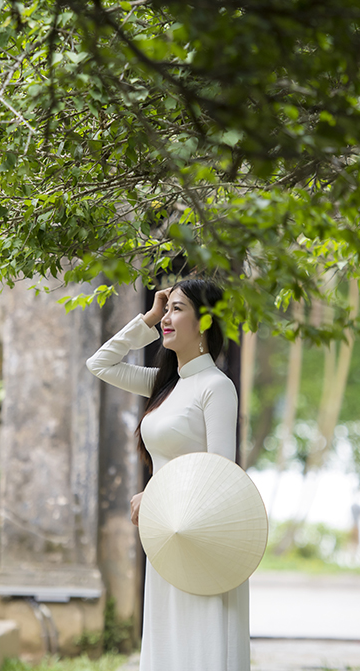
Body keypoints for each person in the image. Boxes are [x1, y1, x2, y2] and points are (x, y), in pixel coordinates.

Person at [85, 279, 248, 671]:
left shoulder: (216, 387)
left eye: (177, 309)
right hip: (167, 535)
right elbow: (99, 363)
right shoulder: (165, 385)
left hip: (204, 538)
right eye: (167, 308)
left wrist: (155, 494)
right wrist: (149, 316)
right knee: (168, 643)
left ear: (205, 321)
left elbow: (218, 474)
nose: (167, 319)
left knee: (200, 644)